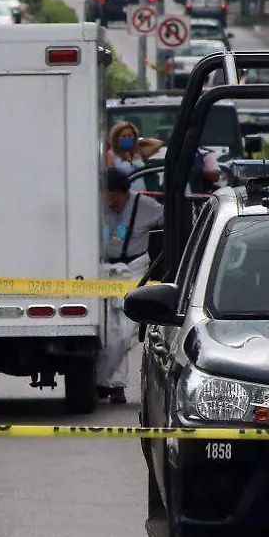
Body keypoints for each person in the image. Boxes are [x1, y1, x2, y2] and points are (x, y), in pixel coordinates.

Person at [98, 166, 159, 404]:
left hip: (134, 271)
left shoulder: (147, 207)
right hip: (102, 271)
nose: (109, 200)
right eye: (105, 195)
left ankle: (103, 379)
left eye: (112, 195)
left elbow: (175, 219)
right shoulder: (96, 207)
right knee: (107, 330)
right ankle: (114, 385)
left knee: (124, 332)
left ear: (124, 192)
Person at [106, 121, 162, 186]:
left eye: (130, 136)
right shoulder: (111, 154)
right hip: (125, 194)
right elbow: (109, 178)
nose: (127, 138)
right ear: (116, 138)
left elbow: (158, 144)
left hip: (142, 193)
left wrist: (140, 140)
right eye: (123, 136)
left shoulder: (138, 152)